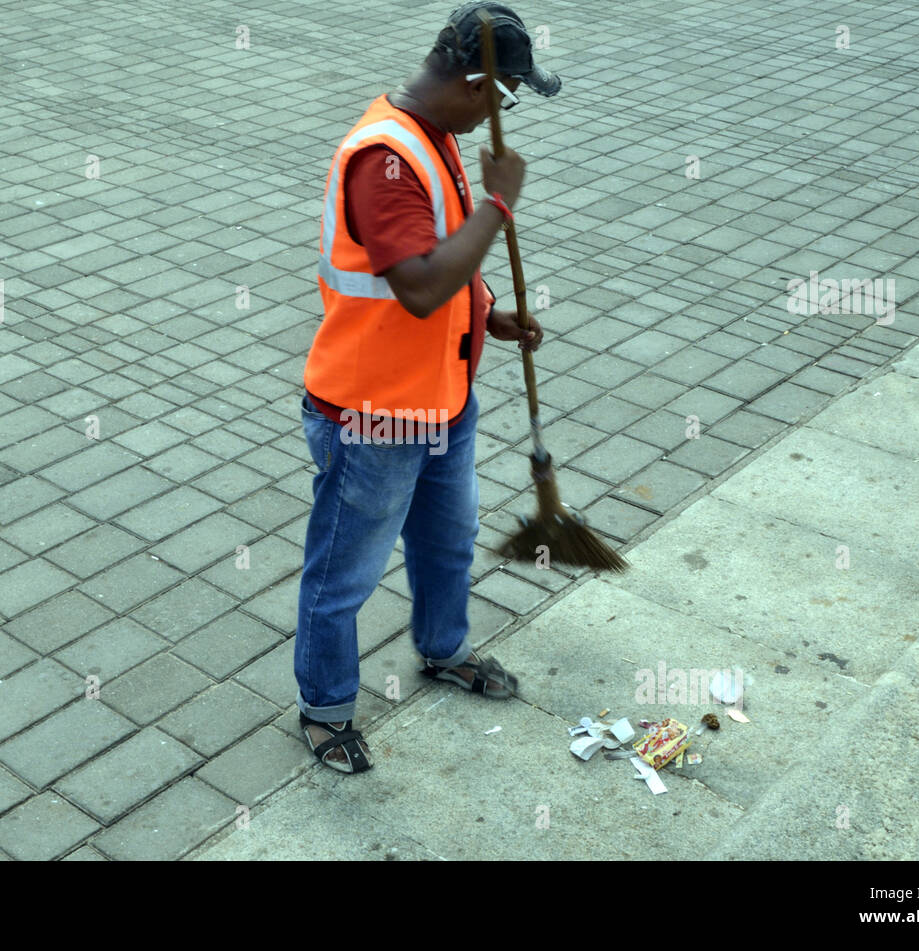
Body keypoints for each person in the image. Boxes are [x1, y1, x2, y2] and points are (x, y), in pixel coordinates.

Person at [295, 2, 560, 774]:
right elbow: (414, 285)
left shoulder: (435, 138)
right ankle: (326, 707)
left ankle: (444, 649)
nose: (501, 115)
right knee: (344, 571)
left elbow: (443, 267)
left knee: (448, 542)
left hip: (442, 398)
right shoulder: (382, 158)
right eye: (506, 96)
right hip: (372, 416)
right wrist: (499, 203)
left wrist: (486, 315)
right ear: (476, 82)